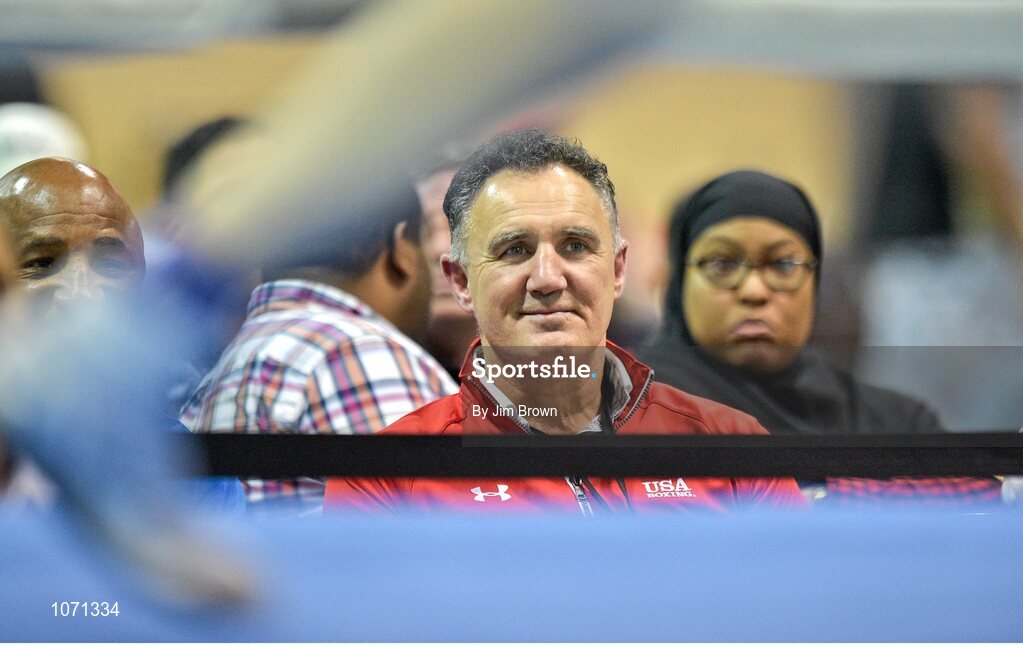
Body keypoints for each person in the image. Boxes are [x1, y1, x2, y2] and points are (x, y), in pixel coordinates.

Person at [325, 130, 804, 514]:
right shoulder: (384, 473)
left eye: (575, 245)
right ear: (461, 282)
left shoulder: (733, 446)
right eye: (515, 250)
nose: (548, 279)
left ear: (617, 270)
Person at [638, 169, 1002, 505]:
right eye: (722, 264)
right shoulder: (632, 406)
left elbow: (983, 507)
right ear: (679, 281)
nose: (754, 290)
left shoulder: (889, 418)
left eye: (783, 265)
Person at [181, 179, 457, 515]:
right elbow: (435, 537)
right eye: (426, 241)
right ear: (399, 248)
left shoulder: (221, 370)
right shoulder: (360, 356)